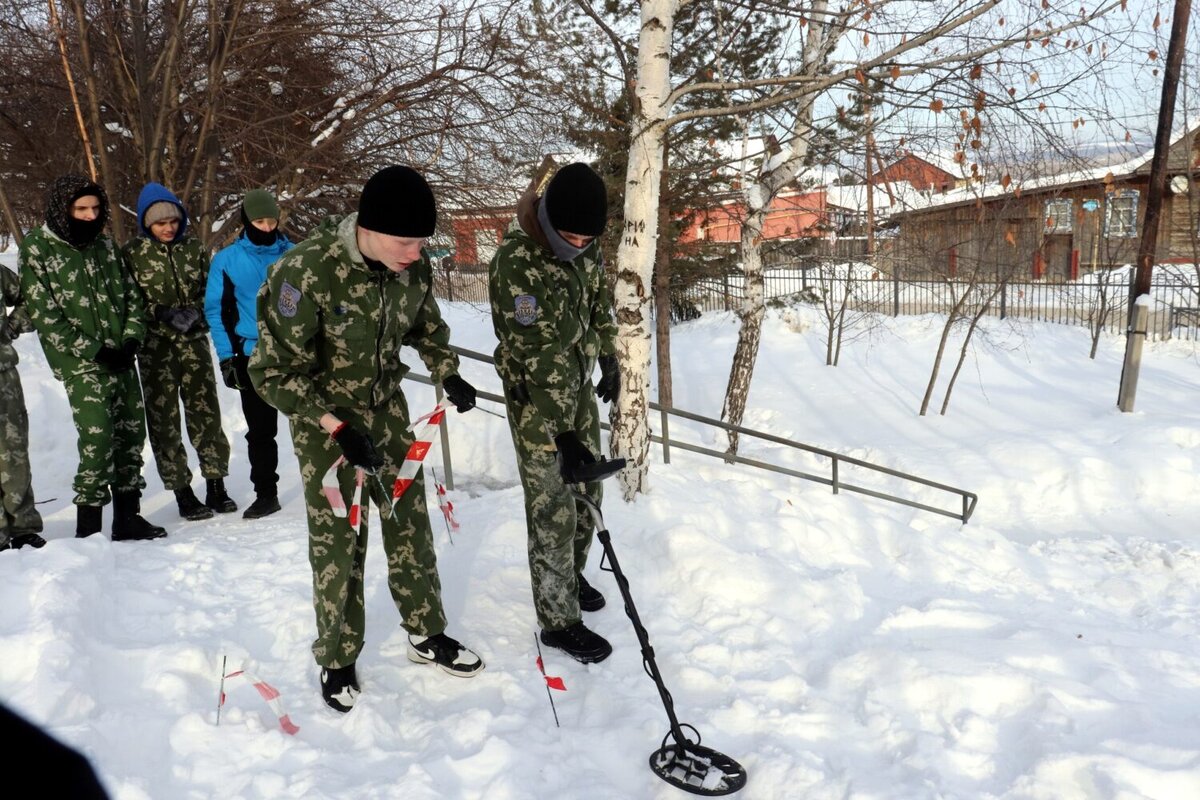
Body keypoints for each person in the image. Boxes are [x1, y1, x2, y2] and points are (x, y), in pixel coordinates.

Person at [250, 165, 484, 713]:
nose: (416, 252)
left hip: (386, 412)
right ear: (369, 230)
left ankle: (426, 633)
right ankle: (337, 656)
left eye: (423, 241)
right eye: (406, 241)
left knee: (410, 524)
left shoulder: (409, 268)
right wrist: (335, 426)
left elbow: (427, 326)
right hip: (324, 424)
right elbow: (272, 373)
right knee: (339, 541)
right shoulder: (304, 273)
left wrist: (447, 371)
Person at [488, 162, 620, 664]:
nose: (580, 247)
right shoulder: (514, 263)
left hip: (579, 388)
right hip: (537, 402)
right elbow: (537, 355)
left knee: (589, 489)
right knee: (552, 509)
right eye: (570, 237)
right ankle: (558, 620)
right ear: (546, 220)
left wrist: (606, 355)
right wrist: (562, 432)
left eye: (588, 239)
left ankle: (570, 572)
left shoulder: (584, 244)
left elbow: (598, 303)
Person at [18, 174, 165, 541]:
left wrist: (131, 338)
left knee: (132, 434)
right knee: (98, 440)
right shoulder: (39, 248)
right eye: (80, 209)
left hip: (120, 356)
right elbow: (46, 315)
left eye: (95, 208)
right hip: (82, 362)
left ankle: (128, 518)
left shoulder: (105, 246)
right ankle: (89, 530)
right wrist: (95, 349)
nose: (89, 215)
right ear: (62, 209)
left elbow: (132, 296)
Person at [124, 183, 235, 520]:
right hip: (156, 348)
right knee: (164, 421)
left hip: (193, 343)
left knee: (206, 413)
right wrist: (160, 313)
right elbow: (128, 301)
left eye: (173, 221)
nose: (168, 228)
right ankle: (182, 491)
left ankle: (216, 484)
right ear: (147, 224)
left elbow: (212, 287)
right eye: (160, 223)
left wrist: (198, 312)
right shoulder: (132, 254)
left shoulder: (194, 249)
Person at [205, 189, 293, 519]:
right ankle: (266, 493)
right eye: (259, 221)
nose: (267, 227)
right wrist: (228, 358)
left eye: (272, 220)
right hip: (252, 353)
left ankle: (327, 485)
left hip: (293, 352)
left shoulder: (294, 255)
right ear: (246, 221)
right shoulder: (227, 260)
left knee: (313, 422)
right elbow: (217, 311)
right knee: (260, 430)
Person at [0, 264, 45, 550]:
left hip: (2, 375)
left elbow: (32, 296)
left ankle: (22, 526)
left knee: (12, 452)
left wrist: (12, 326)